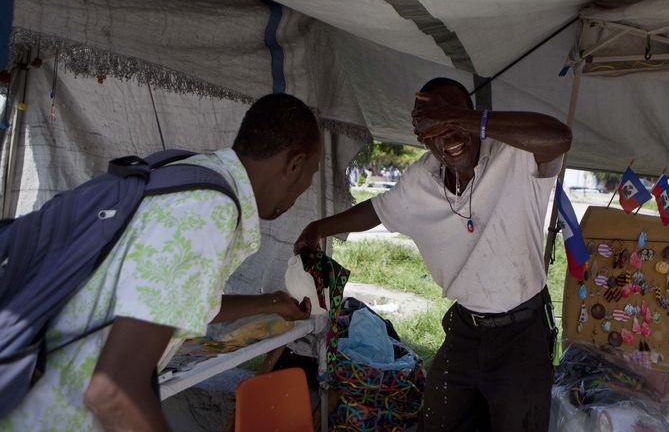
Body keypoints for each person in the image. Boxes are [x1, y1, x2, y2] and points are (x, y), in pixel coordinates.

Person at [1, 93, 322, 432]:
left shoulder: (189, 173)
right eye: (310, 175)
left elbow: (179, 302)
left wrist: (272, 304)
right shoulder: (206, 210)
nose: (305, 186)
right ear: (294, 164)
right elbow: (114, 389)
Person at [297, 77, 571, 432]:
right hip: (466, 331)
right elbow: (376, 211)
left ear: (474, 119)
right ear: (423, 137)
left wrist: (460, 118)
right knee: (437, 418)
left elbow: (560, 137)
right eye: (437, 129)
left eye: (458, 122)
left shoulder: (515, 155)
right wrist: (318, 229)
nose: (452, 138)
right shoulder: (420, 181)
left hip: (522, 333)